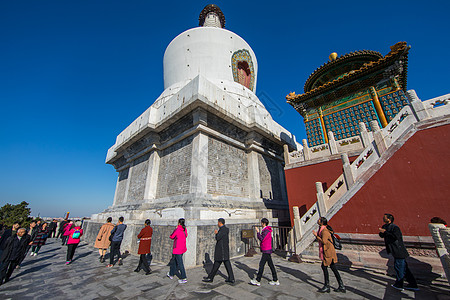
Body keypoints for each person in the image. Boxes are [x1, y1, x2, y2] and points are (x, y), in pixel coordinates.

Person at [379, 213, 418, 291]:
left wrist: (385, 232)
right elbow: (382, 235)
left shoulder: (395, 227)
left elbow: (396, 237)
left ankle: (399, 284)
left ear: (389, 219)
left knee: (399, 267)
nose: (383, 219)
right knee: (404, 268)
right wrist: (382, 232)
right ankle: (413, 284)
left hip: (398, 249)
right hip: (393, 250)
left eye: (385, 218)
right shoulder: (385, 226)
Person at [312, 217, 345, 293]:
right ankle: (341, 285)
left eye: (319, 220)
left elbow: (324, 241)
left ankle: (327, 286)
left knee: (324, 266)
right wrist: (317, 235)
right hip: (327, 251)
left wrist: (316, 236)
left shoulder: (324, 230)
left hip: (328, 251)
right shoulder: (322, 229)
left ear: (322, 222)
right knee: (333, 268)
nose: (318, 220)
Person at [203, 218, 235, 283]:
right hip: (224, 251)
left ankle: (211, 278)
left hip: (221, 251)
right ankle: (231, 278)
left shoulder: (222, 230)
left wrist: (216, 233)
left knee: (217, 264)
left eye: (218, 223)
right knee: (224, 264)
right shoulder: (225, 229)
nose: (217, 224)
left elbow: (218, 238)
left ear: (220, 223)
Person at [250, 218, 279, 286]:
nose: (261, 224)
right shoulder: (267, 230)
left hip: (266, 249)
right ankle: (275, 279)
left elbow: (261, 238)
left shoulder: (266, 231)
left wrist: (257, 232)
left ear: (263, 223)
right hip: (267, 249)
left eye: (261, 223)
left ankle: (258, 280)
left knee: (261, 265)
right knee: (270, 265)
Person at [167, 218, 187, 284]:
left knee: (180, 264)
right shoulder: (184, 229)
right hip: (182, 248)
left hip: (177, 248)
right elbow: (186, 235)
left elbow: (172, 236)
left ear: (179, 223)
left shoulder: (178, 229)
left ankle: (184, 277)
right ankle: (171, 274)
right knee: (174, 261)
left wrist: (175, 229)